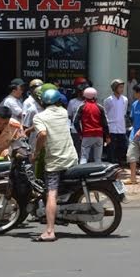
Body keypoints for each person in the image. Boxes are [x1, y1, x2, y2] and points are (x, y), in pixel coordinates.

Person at [31, 88, 79, 242]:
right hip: (71, 158)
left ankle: (50, 231)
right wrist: (30, 129)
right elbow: (53, 123)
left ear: (42, 102)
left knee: (51, 192)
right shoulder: (63, 112)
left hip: (54, 161)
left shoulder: (39, 117)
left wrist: (36, 153)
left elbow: (43, 133)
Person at [73, 87, 109, 164]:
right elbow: (105, 124)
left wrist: (80, 133)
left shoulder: (82, 107)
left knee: (84, 157)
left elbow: (75, 122)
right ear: (95, 96)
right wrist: (107, 136)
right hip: (99, 136)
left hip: (86, 135)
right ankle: (99, 175)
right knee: (98, 158)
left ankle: (83, 175)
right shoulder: (100, 107)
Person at [104, 79, 129, 166]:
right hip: (112, 127)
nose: (122, 89)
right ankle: (111, 163)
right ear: (115, 88)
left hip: (121, 127)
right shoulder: (108, 100)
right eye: (120, 87)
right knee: (112, 147)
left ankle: (120, 162)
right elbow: (105, 113)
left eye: (123, 87)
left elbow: (124, 112)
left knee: (123, 146)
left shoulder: (125, 99)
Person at [67, 80, 88, 150]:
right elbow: (69, 116)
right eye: (82, 91)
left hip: (87, 131)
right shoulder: (72, 102)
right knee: (77, 150)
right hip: (75, 131)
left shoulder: (89, 102)